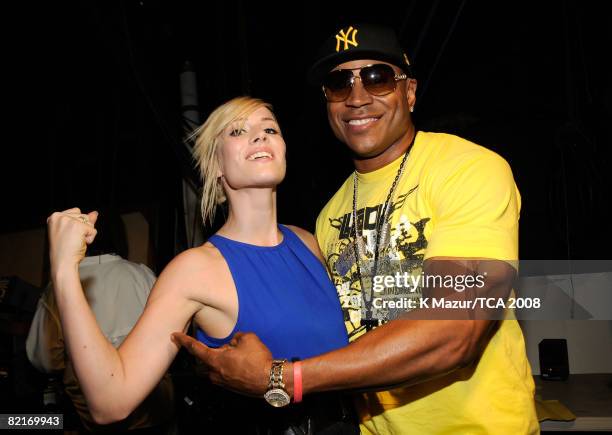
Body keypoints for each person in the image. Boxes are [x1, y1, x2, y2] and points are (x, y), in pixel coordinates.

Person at [172, 24, 539, 434]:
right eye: (339, 83)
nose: (358, 97)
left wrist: (282, 378)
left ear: (410, 92)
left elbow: (453, 331)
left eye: (378, 78)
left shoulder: (467, 169)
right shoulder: (328, 218)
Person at [45, 97, 357, 434]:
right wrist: (64, 271)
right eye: (238, 131)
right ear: (217, 165)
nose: (260, 136)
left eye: (270, 128)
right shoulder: (196, 269)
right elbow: (110, 401)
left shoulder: (307, 242)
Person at [27, 211, 175, 434]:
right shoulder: (143, 275)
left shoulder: (59, 287)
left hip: (92, 420)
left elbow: (44, 358)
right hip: (153, 416)